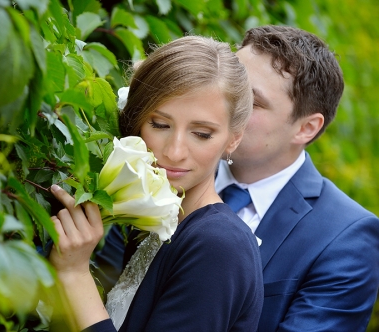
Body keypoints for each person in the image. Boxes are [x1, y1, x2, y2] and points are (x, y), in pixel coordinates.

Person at [96, 25, 379, 332]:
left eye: (250, 100)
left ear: (306, 128)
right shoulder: (161, 171)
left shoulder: (346, 238)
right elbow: (109, 284)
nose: (223, 99)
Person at [48, 36, 264, 332]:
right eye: (160, 125)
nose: (174, 151)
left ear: (233, 138)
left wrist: (74, 273)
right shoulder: (156, 221)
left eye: (201, 133)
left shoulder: (218, 245)